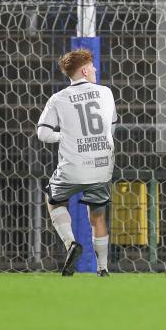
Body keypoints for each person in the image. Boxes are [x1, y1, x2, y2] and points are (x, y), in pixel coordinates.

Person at [37, 49, 118, 276]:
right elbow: (111, 128)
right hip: (101, 166)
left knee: (53, 200)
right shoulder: (106, 93)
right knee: (98, 216)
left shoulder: (58, 98)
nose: (94, 70)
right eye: (92, 67)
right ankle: (103, 269)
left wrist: (63, 136)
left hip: (72, 167)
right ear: (84, 70)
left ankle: (71, 243)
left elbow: (42, 134)